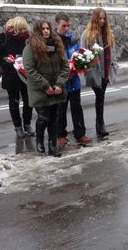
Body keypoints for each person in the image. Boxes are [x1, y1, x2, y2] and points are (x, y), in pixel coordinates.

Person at [23, 20, 69, 157]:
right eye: (43, 29)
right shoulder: (30, 48)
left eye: (48, 28)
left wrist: (59, 84)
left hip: (55, 88)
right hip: (40, 89)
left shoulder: (57, 45)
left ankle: (53, 146)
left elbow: (65, 66)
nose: (46, 31)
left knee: (54, 118)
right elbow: (30, 70)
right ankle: (39, 139)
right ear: (38, 31)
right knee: (44, 117)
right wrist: (45, 86)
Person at [0, 17, 33, 138]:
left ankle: (27, 124)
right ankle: (18, 127)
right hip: (10, 74)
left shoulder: (27, 38)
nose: (23, 31)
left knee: (28, 101)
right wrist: (6, 61)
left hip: (25, 74)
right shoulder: (3, 37)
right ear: (15, 28)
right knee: (14, 102)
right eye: (21, 29)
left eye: (25, 29)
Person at [54, 12, 92, 147]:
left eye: (68, 25)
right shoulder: (53, 41)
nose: (67, 28)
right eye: (64, 26)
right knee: (61, 110)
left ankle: (80, 134)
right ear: (56, 25)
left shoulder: (73, 39)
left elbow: (78, 56)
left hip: (74, 81)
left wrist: (82, 65)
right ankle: (60, 135)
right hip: (61, 83)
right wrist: (63, 74)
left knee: (77, 108)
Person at [81, 8, 117, 139]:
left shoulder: (108, 33)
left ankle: (100, 125)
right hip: (95, 72)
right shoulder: (88, 34)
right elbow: (83, 53)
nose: (102, 21)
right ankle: (100, 125)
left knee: (101, 99)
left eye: (104, 18)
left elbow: (113, 51)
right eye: (100, 18)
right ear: (95, 18)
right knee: (100, 97)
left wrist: (114, 65)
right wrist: (89, 67)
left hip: (107, 70)